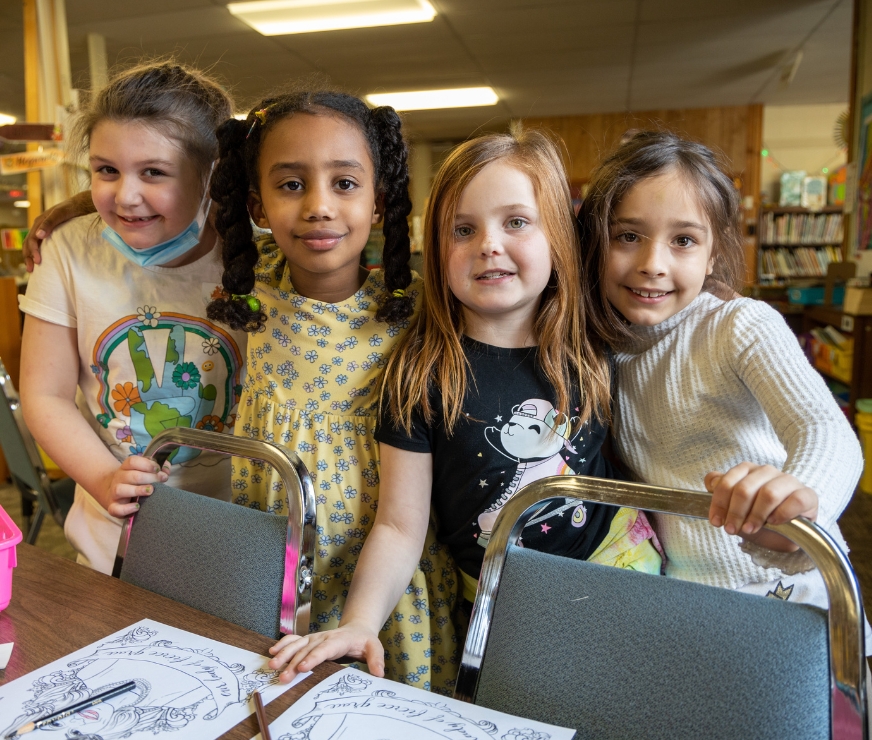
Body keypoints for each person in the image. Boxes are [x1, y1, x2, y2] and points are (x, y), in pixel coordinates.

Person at [265, 129, 663, 684]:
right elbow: (400, 526)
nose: (488, 244)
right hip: (500, 601)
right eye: (463, 229)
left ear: (558, 238)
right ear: (438, 247)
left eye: (516, 222)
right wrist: (359, 622)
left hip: (619, 568)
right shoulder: (420, 372)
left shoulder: (591, 339)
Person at [204, 91, 460, 694]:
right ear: (257, 205)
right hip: (272, 566)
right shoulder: (250, 289)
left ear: (380, 204)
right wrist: (66, 214)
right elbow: (157, 204)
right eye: (291, 185)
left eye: (345, 183)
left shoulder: (420, 309)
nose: (319, 207)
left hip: (383, 581)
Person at [577, 130, 869, 631]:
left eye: (684, 240)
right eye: (628, 236)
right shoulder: (597, 350)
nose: (652, 264)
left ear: (712, 254)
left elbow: (826, 430)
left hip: (788, 591)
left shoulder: (739, 325)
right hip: (688, 603)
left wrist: (798, 495)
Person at [19, 62, 247, 575]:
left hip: (242, 543)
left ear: (213, 174)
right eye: (106, 170)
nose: (125, 195)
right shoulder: (68, 251)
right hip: (113, 548)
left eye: (154, 172)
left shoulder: (258, 258)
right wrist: (104, 479)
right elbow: (45, 394)